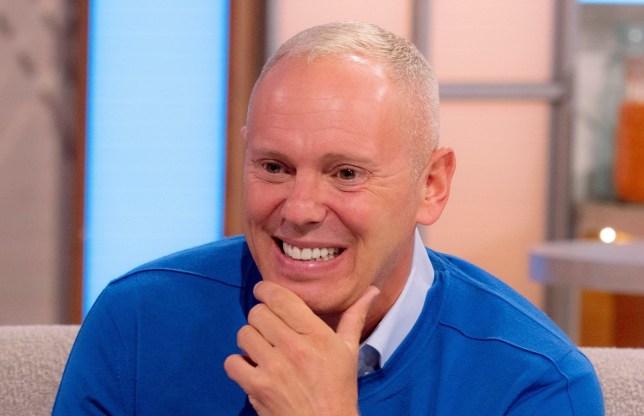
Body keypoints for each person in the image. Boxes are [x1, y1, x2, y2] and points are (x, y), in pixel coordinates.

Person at [53, 21, 604, 415]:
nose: (300, 210)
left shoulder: (536, 385)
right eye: (274, 166)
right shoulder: (138, 320)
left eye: (345, 173)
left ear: (430, 185)